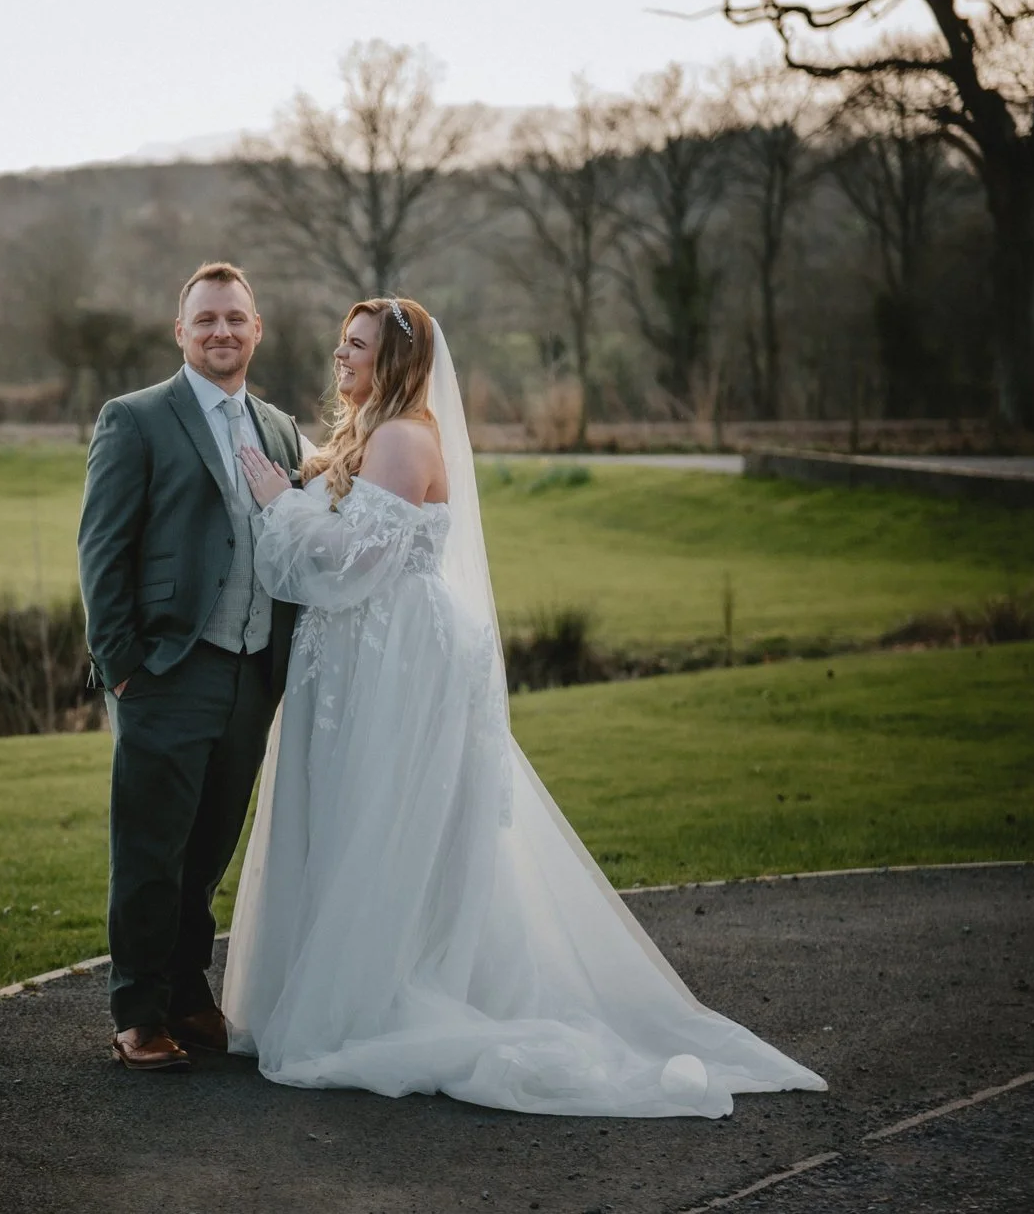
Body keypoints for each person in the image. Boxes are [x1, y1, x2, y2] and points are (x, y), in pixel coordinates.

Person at [222, 296, 827, 1117]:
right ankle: (338, 980)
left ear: (394, 362)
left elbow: (356, 560)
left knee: (379, 815)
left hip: (396, 658)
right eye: (340, 344)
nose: (341, 358)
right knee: (347, 814)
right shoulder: (373, 432)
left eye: (356, 347)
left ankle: (371, 993)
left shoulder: (402, 437)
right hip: (359, 658)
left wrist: (277, 506)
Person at [77, 260, 307, 1071]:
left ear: (257, 329)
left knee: (208, 847)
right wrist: (122, 664)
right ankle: (137, 1011)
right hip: (168, 670)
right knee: (150, 850)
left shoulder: (279, 429)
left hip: (252, 674)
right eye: (205, 319)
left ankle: (187, 992)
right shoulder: (135, 418)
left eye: (236, 319)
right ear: (181, 331)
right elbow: (102, 548)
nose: (222, 332)